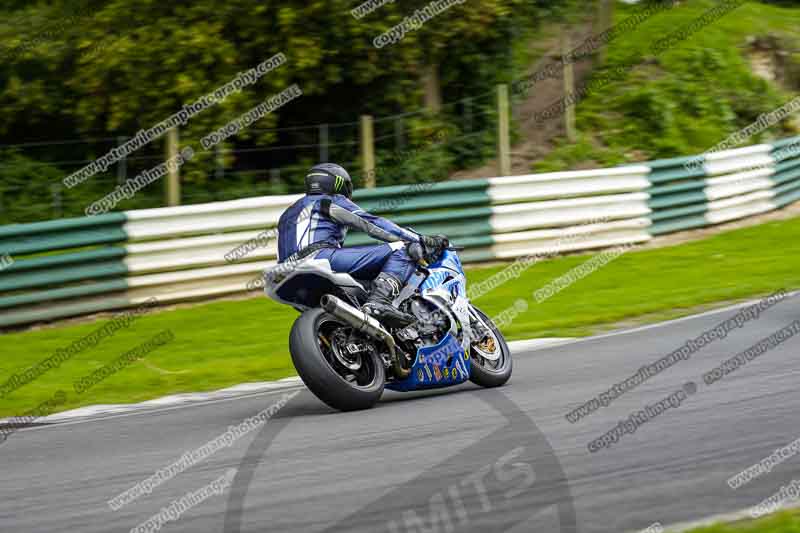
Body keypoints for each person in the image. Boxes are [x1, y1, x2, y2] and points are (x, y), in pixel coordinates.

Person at [277, 163, 447, 325]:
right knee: (403, 248)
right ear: (338, 183)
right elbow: (371, 224)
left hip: (285, 272)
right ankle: (379, 301)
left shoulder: (288, 213)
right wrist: (419, 240)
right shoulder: (328, 200)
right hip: (320, 257)